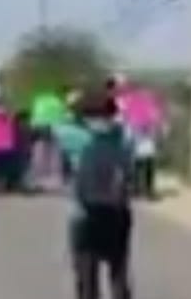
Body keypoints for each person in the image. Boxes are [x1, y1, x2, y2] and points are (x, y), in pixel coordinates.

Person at [69, 88, 136, 299]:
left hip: (86, 213)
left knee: (86, 274)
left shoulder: (79, 140)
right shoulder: (124, 140)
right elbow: (129, 174)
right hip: (118, 211)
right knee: (118, 270)